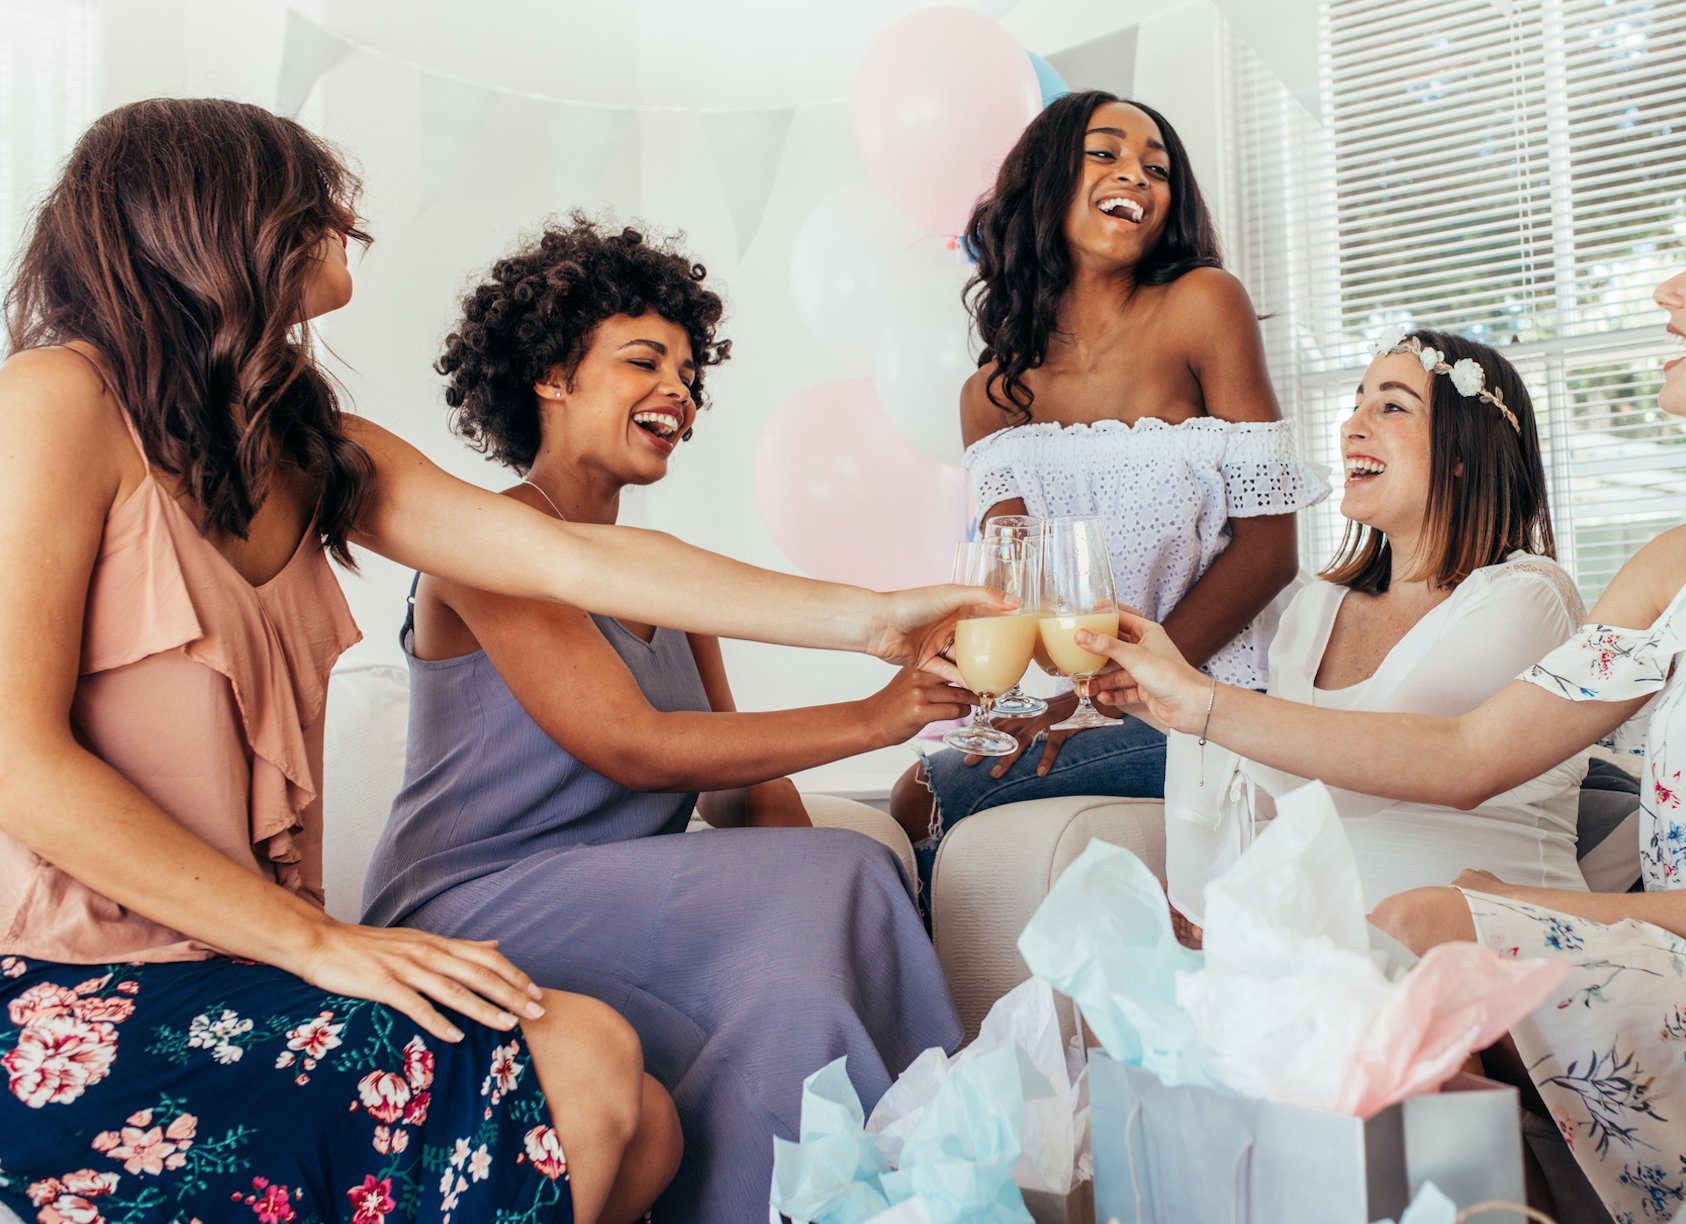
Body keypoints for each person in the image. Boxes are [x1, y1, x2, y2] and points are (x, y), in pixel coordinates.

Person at [0, 98, 989, 1224]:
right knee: (587, 1071)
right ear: (217, 214)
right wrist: (321, 942)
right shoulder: (56, 400)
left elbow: (563, 560)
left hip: (263, 971)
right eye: (307, 194)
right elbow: (15, 760)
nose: (343, 216)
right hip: (81, 1000)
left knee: (643, 1123)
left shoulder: (310, 443)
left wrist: (877, 616)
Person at [1088, 158, 1686, 1219]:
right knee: (1396, 962)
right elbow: (1468, 756)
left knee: (1433, 936)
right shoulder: (1683, 564)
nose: (1667, 293)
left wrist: (1495, 906)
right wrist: (1186, 697)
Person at [361, 217, 966, 1220]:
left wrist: (820, 908)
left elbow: (743, 794)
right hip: (469, 911)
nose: (679, 393)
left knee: (812, 939)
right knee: (837, 882)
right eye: (645, 361)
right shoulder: (484, 545)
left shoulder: (674, 579)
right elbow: (630, 746)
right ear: (550, 375)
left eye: (689, 372)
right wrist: (876, 717)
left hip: (615, 907)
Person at [887, 89, 1328, 864]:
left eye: (1157, 168)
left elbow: (1268, 551)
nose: (1138, 175)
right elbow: (1019, 588)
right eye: (1106, 153)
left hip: (1217, 692)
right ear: (1049, 180)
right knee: (915, 792)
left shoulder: (1203, 306)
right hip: (1083, 693)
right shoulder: (992, 396)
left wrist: (1132, 685)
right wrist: (1025, 692)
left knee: (933, 797)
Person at [1167, 328, 1587, 925]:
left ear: (1466, 453)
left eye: (1391, 406)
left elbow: (1357, 782)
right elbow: (1270, 799)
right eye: (1356, 403)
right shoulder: (1314, 609)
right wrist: (1136, 690)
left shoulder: (1527, 600)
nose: (1351, 428)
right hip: (1317, 953)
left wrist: (1190, 699)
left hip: (1482, 958)